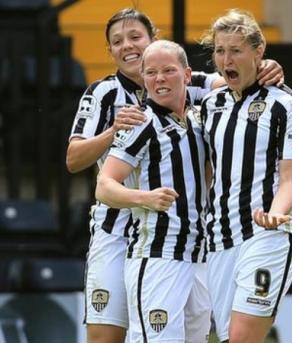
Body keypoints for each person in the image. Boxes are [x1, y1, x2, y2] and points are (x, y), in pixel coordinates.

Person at [66, 8, 283, 343]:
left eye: (135, 37)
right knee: (108, 336)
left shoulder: (191, 88)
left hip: (191, 244)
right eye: (117, 41)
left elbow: (235, 82)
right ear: (109, 51)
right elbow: (75, 161)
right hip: (121, 231)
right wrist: (115, 130)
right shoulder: (105, 94)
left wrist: (263, 67)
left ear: (155, 40)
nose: (127, 46)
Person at [199, 9, 292, 343]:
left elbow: (290, 178)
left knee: (244, 338)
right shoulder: (210, 104)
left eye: (235, 50)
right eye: (219, 51)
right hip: (219, 239)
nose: (225, 58)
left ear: (258, 52)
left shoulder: (287, 104)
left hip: (266, 235)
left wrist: (277, 212)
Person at [96, 39, 208, 342]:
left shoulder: (200, 118)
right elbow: (104, 187)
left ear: (187, 75)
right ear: (143, 78)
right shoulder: (140, 122)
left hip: (199, 256)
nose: (159, 79)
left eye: (168, 71)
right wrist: (145, 198)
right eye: (151, 73)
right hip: (158, 255)